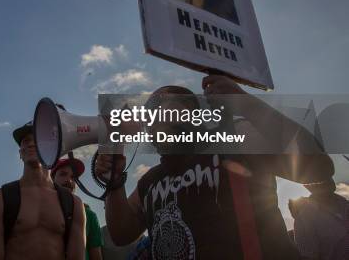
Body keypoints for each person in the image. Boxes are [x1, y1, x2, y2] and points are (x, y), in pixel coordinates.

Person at [96, 75, 334, 259]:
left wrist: (247, 105)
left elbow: (318, 166)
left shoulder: (234, 139)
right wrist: (114, 181)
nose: (148, 115)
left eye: (157, 104)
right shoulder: (150, 180)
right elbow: (121, 234)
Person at [0, 122, 86, 260]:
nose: (31, 144)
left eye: (38, 139)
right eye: (26, 141)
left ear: (52, 149)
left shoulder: (74, 203)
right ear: (20, 153)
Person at [51, 157, 103, 260]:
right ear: (52, 179)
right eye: (63, 174)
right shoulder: (41, 210)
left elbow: (96, 256)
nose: (69, 180)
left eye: (73, 177)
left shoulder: (90, 215)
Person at [289, 178, 349, 260]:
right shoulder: (304, 219)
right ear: (306, 185)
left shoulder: (345, 204)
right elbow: (308, 256)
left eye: (328, 173)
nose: (327, 177)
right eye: (320, 174)